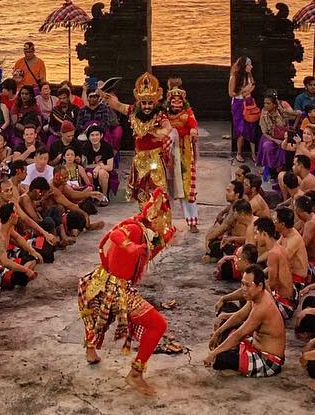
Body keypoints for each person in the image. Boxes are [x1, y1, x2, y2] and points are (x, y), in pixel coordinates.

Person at [78, 189, 173, 397]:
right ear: (153, 216)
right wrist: (128, 246)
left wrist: (162, 241)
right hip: (115, 287)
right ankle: (135, 374)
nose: (164, 222)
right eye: (163, 218)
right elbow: (115, 234)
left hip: (105, 281)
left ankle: (90, 351)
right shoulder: (135, 227)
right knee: (158, 324)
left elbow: (144, 257)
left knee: (97, 316)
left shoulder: (147, 233)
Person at [102, 74, 171, 211]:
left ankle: (159, 222)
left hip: (156, 158)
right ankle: (144, 218)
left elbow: (168, 127)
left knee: (158, 190)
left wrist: (159, 133)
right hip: (139, 159)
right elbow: (118, 105)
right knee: (141, 192)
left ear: (155, 102)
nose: (147, 106)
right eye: (144, 103)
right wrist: (104, 94)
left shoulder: (160, 114)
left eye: (150, 103)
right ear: (139, 102)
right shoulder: (133, 111)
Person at [205, 263, 286, 378]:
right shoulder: (257, 295)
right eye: (242, 284)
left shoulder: (263, 307)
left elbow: (239, 334)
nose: (243, 288)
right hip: (255, 345)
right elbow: (240, 315)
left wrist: (214, 353)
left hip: (268, 360)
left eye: (247, 285)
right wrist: (218, 332)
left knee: (220, 358)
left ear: (259, 286)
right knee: (225, 322)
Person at [165, 83, 199, 230]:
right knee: (166, 188)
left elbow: (193, 124)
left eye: (179, 101)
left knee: (186, 188)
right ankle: (165, 223)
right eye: (174, 101)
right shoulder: (164, 114)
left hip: (183, 153)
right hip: (167, 152)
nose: (176, 103)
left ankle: (192, 222)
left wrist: (193, 131)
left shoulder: (188, 112)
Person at [228, 58, 258, 161]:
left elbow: (253, 84)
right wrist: (243, 91)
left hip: (248, 101)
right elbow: (231, 93)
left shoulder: (249, 75)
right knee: (240, 128)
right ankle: (239, 153)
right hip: (238, 103)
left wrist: (248, 91)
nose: (251, 67)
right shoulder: (234, 77)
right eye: (249, 65)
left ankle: (254, 154)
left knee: (251, 126)